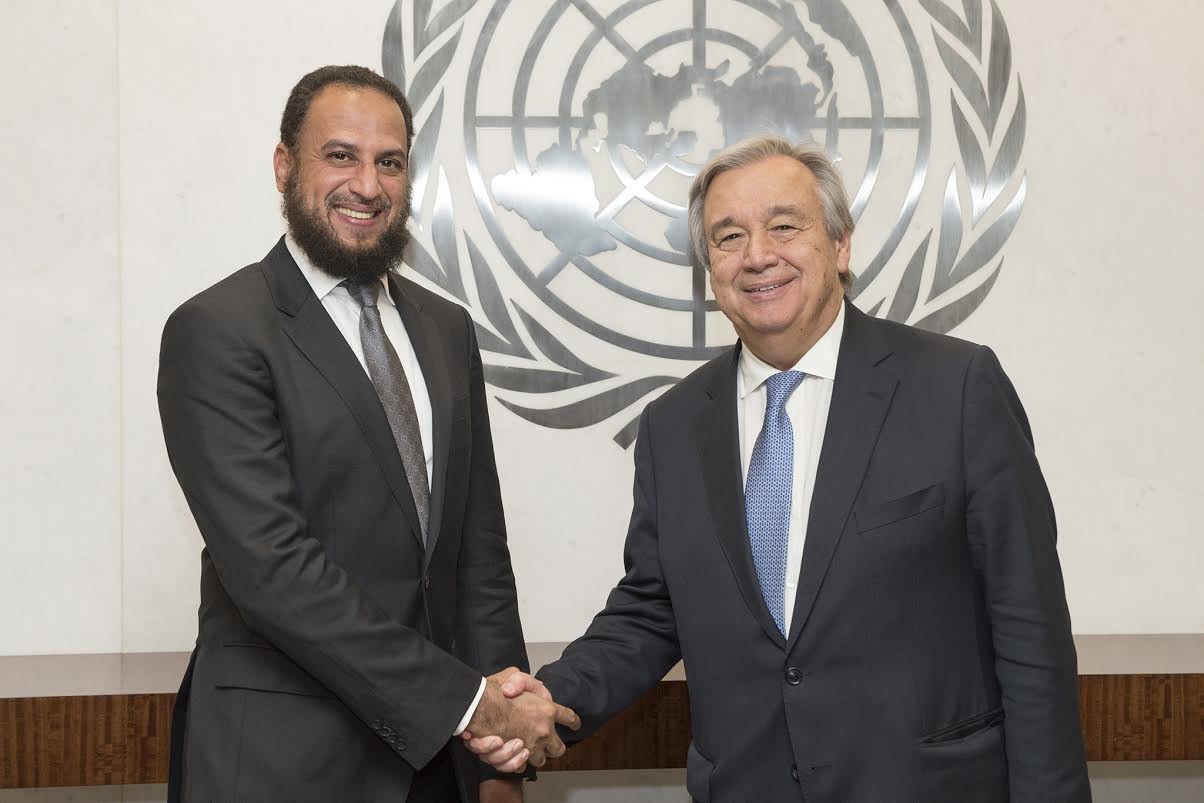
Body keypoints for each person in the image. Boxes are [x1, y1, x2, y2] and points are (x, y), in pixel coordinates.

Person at [467, 136, 1091, 801]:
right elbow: (653, 609)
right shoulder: (674, 426)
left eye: (784, 227)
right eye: (728, 236)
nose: (757, 255)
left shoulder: (956, 388)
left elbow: (1030, 632)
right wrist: (550, 697)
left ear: (840, 245)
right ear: (710, 267)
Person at [157, 65, 576, 803]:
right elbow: (274, 571)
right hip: (282, 766)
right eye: (340, 156)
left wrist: (500, 760)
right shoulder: (217, 331)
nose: (369, 185)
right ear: (286, 166)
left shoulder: (446, 329)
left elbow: (478, 556)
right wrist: (472, 703)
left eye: (390, 162)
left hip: (438, 765)